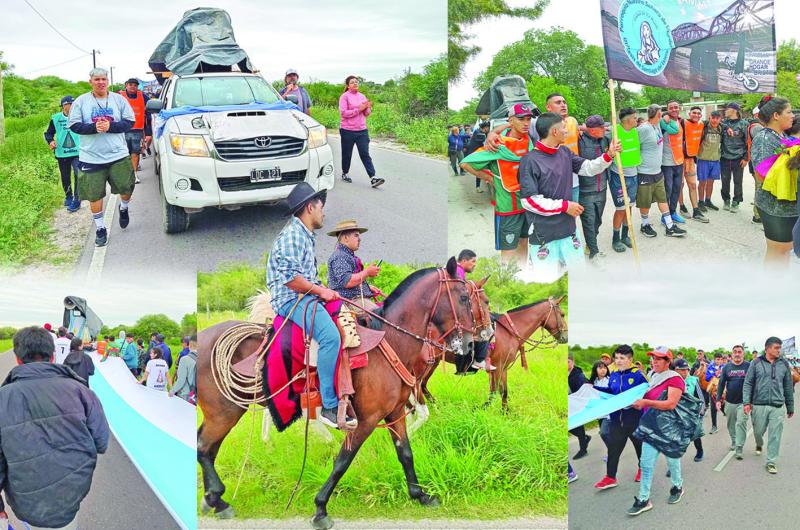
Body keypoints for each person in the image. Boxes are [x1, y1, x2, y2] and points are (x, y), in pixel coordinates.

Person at [0, 326, 109, 529]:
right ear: (52, 357)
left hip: (26, 502)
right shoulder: (82, 392)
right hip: (71, 497)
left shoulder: (3, 398)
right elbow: (101, 443)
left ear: (17, 358)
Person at [266, 183, 355, 429]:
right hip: (291, 300)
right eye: (321, 207)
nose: (324, 213)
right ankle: (328, 405)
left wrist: (326, 291)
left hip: (305, 296)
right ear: (309, 208)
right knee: (330, 337)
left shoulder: (303, 234)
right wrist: (321, 291)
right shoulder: (293, 235)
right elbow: (291, 279)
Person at [519, 112, 620, 278]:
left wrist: (608, 155)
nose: (567, 131)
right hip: (544, 234)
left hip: (568, 230)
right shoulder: (529, 161)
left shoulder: (565, 152)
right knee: (549, 284)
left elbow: (587, 168)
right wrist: (565, 206)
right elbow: (529, 201)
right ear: (554, 132)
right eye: (564, 128)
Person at [461, 103, 537, 266]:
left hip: (526, 204)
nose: (526, 123)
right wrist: (489, 178)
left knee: (524, 242)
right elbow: (465, 163)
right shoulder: (496, 145)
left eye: (529, 119)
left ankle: (523, 275)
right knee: (508, 250)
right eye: (521, 119)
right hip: (507, 207)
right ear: (511, 120)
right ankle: (506, 280)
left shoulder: (528, 140)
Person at [68, 67, 136, 247]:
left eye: (103, 79)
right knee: (94, 195)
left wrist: (110, 127)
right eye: (97, 79)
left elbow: (129, 122)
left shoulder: (119, 100)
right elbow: (74, 125)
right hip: (91, 157)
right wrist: (93, 128)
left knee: (127, 187)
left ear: (108, 81)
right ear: (90, 81)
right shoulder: (81, 101)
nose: (101, 82)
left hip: (118, 155)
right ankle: (100, 228)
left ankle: (124, 208)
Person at [628, 347, 686, 516]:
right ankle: (644, 499)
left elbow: (671, 404)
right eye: (653, 358)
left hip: (668, 428)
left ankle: (677, 487)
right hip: (650, 427)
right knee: (646, 464)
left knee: (672, 461)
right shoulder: (653, 376)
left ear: (668, 362)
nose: (654, 361)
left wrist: (646, 402)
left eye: (659, 359)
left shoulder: (674, 379)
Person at [750, 95, 797, 265]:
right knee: (778, 251)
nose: (793, 115)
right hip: (774, 206)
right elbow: (761, 176)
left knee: (784, 251)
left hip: (786, 206)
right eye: (789, 111)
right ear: (776, 115)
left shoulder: (781, 136)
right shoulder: (765, 139)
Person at [594, 344, 648, 490]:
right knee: (613, 449)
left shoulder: (638, 375)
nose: (618, 361)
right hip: (616, 420)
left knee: (640, 447)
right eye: (616, 358)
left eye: (622, 358)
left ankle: (642, 469)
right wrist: (593, 388)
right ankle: (610, 477)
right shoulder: (614, 375)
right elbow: (611, 392)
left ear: (630, 359)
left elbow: (648, 394)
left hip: (635, 420)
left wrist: (641, 404)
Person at [743, 336, 794, 474]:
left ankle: (771, 461)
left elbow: (788, 386)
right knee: (758, 432)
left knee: (775, 435)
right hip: (759, 405)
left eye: (780, 348)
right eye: (776, 348)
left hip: (777, 406)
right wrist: (747, 402)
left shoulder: (783, 364)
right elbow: (748, 383)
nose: (779, 350)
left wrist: (790, 406)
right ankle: (759, 443)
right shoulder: (756, 363)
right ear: (767, 348)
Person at [636, 104, 687, 238]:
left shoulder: (657, 126)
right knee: (645, 202)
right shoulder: (644, 129)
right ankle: (645, 225)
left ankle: (670, 227)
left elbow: (673, 130)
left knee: (662, 199)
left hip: (657, 172)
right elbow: (634, 146)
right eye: (662, 113)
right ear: (658, 115)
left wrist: (666, 118)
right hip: (645, 172)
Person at [326, 219, 381, 312]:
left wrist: (367, 287)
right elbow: (348, 282)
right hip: (348, 301)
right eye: (356, 235)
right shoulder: (339, 256)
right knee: (380, 317)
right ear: (346, 238)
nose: (359, 239)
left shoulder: (347, 255)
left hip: (356, 299)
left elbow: (353, 280)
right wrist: (367, 272)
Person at [338, 76, 383, 188]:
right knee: (347, 154)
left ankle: (373, 178)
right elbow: (343, 113)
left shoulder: (362, 96)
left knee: (365, 153)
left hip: (362, 130)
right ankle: (345, 173)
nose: (355, 84)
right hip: (347, 130)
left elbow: (367, 114)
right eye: (352, 82)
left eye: (356, 82)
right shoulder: (344, 97)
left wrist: (367, 107)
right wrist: (359, 109)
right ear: (348, 85)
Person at [577, 115, 610, 260]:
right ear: (591, 130)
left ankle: (590, 245)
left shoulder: (605, 139)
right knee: (589, 222)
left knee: (598, 221)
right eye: (601, 127)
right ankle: (594, 253)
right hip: (586, 190)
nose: (605, 129)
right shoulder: (579, 140)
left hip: (602, 188)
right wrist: (578, 128)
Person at [608, 108, 641, 252]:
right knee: (621, 209)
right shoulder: (615, 131)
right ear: (627, 120)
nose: (637, 120)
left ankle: (625, 235)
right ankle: (615, 239)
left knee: (629, 207)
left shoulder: (635, 131)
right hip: (618, 176)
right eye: (634, 118)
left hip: (633, 175)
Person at [44, 95, 81, 212]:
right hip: (62, 153)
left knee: (78, 173)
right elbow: (49, 133)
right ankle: (68, 196)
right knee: (65, 177)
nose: (72, 107)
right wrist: (51, 141)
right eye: (69, 104)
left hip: (77, 152)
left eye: (74, 104)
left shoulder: (80, 117)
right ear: (64, 106)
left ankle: (77, 199)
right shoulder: (56, 118)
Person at [716, 345, 750, 458]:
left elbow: (754, 383)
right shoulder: (726, 367)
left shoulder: (748, 366)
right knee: (731, 425)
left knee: (741, 423)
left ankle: (739, 447)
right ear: (732, 354)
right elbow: (721, 384)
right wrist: (718, 399)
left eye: (739, 352)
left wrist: (751, 401)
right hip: (730, 401)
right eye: (735, 352)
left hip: (744, 402)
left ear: (743, 354)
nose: (737, 354)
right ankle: (734, 441)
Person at [679, 106, 709, 222]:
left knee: (692, 185)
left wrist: (727, 128)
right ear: (689, 113)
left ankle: (696, 210)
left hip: (691, 160)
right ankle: (681, 206)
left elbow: (716, 122)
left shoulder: (702, 124)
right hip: (679, 159)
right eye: (694, 113)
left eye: (698, 113)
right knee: (680, 185)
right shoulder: (682, 122)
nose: (696, 115)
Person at [660, 100, 688, 224]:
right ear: (667, 109)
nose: (674, 109)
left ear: (679, 108)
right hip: (666, 163)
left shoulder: (681, 121)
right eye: (671, 108)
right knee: (668, 189)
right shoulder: (664, 121)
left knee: (677, 188)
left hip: (679, 161)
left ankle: (673, 212)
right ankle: (665, 216)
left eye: (676, 107)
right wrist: (663, 116)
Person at [720, 102, 750, 212]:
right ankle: (726, 200)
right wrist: (727, 126)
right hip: (724, 157)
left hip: (738, 157)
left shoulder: (744, 124)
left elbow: (748, 142)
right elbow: (713, 122)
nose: (725, 111)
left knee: (738, 181)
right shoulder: (723, 122)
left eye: (727, 109)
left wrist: (746, 158)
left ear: (735, 110)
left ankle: (736, 201)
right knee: (725, 180)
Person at [673, 358, 705, 462]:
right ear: (676, 370)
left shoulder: (693, 381)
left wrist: (701, 410)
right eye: (682, 370)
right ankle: (674, 463)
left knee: (695, 435)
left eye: (687, 369)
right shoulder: (672, 381)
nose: (685, 372)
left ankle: (699, 451)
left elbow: (700, 397)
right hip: (677, 414)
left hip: (692, 413)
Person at [118, 78, 149, 184]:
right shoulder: (119, 96)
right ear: (126, 85)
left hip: (138, 130)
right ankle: (125, 174)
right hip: (123, 130)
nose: (133, 86)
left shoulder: (143, 96)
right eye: (130, 84)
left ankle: (134, 175)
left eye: (135, 85)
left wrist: (148, 132)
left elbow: (149, 113)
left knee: (135, 153)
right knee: (124, 154)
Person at [697, 110, 723, 211]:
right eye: (713, 118)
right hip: (703, 159)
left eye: (717, 118)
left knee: (711, 182)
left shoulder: (721, 128)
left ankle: (708, 200)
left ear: (720, 119)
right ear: (709, 118)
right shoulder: (703, 127)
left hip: (715, 159)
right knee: (702, 182)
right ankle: (700, 202)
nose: (715, 120)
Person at [568, 353, 592, 460]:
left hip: (577, 403)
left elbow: (583, 390)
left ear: (573, 362)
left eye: (568, 361)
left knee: (578, 426)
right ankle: (585, 438)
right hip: (567, 403)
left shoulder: (578, 375)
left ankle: (583, 449)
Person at [465, 122, 490, 192]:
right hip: (476, 155)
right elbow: (483, 143)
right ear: (485, 128)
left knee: (480, 169)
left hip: (478, 154)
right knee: (479, 170)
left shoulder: (478, 132)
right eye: (488, 128)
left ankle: (480, 184)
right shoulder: (479, 133)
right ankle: (478, 186)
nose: (488, 129)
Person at [171, 335, 197, 404]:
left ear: (189, 344)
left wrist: (172, 390)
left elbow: (181, 379)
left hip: (186, 393)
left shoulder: (183, 356)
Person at [705, 353, 725, 434]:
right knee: (713, 408)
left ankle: (729, 417)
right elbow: (707, 378)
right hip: (713, 391)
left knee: (723, 406)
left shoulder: (724, 366)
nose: (719, 361)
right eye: (717, 359)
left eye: (720, 359)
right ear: (714, 359)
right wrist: (714, 374)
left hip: (723, 390)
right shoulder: (710, 367)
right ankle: (714, 426)